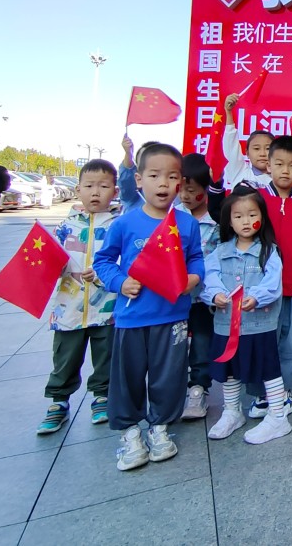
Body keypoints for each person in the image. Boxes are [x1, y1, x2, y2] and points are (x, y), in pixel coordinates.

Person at [93, 143, 205, 471]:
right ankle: (129, 433)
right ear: (139, 180)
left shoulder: (187, 224)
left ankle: (160, 427)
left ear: (180, 182)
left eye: (171, 176)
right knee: (127, 377)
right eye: (154, 176)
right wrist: (120, 282)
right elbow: (103, 261)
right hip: (132, 317)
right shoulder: (125, 223)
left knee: (169, 376)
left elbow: (196, 258)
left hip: (173, 316)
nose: (163, 183)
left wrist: (193, 278)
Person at [210, 135, 292, 416]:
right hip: (259, 289)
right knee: (263, 341)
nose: (286, 170)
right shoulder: (257, 200)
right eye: (279, 164)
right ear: (268, 165)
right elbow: (225, 216)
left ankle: (283, 391)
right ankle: (260, 393)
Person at [204, 187, 291, 444]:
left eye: (252, 214)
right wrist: (216, 294)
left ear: (261, 217)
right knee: (229, 367)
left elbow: (273, 283)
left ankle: (278, 416)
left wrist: (257, 297)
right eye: (238, 216)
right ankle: (232, 412)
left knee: (269, 368)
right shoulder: (220, 252)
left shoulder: (269, 251)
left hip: (259, 325)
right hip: (225, 325)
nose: (245, 221)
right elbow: (210, 277)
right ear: (229, 221)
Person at [38, 159, 119, 434]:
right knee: (65, 356)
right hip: (69, 308)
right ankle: (58, 401)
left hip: (107, 308)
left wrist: (101, 275)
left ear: (115, 191)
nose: (96, 192)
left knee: (106, 355)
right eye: (89, 186)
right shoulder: (66, 226)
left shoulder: (118, 225)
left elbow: (126, 263)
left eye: (103, 186)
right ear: (78, 189)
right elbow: (50, 260)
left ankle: (102, 396)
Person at [177, 154, 220, 421]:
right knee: (174, 344)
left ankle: (198, 389)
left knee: (202, 344)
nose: (185, 196)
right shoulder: (172, 218)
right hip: (175, 296)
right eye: (181, 189)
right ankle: (171, 390)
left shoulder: (217, 221)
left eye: (192, 190)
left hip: (204, 298)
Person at [221, 94, 274, 189]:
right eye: (256, 149)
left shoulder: (281, 180)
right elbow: (230, 145)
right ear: (247, 153)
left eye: (268, 148)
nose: (262, 154)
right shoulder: (239, 172)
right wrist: (228, 112)